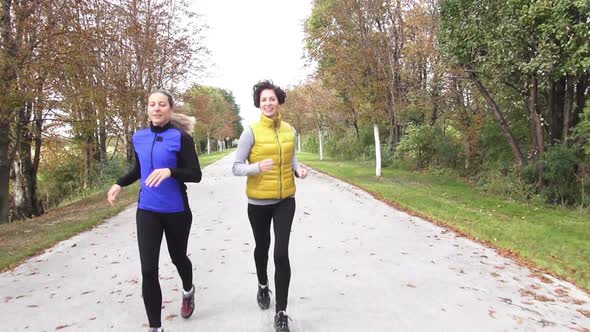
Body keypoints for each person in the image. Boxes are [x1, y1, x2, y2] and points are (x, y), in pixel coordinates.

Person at [107, 90, 202, 332]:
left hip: (176, 211)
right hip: (147, 210)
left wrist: (171, 171)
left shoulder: (180, 138)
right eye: (152, 105)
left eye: (161, 104)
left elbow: (195, 174)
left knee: (178, 257)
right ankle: (155, 327)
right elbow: (140, 169)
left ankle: (188, 290)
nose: (156, 108)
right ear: (147, 109)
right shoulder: (139, 137)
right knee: (148, 270)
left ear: (170, 109)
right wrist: (119, 183)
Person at [232, 80, 309, 332]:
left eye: (272, 99)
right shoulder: (250, 132)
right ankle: (263, 285)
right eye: (264, 100)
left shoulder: (289, 130)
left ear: (279, 101)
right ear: (258, 104)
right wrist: (256, 167)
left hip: (286, 200)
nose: (268, 103)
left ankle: (282, 312)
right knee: (262, 248)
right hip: (258, 203)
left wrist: (298, 169)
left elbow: (292, 157)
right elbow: (236, 166)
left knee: (281, 254)